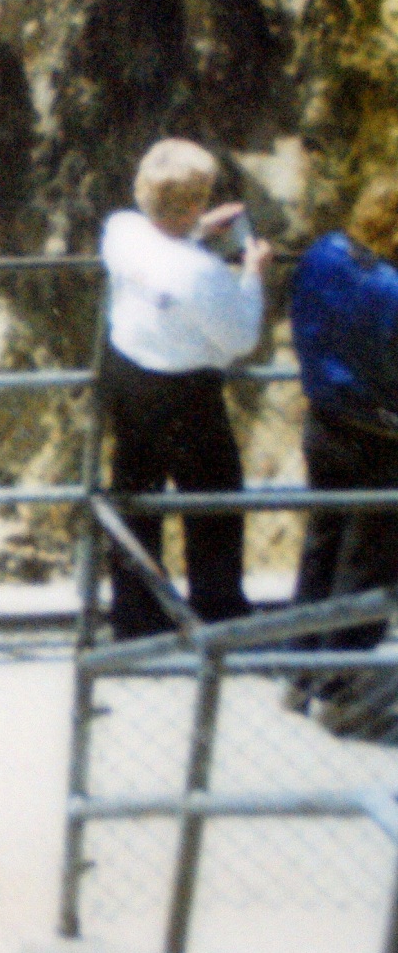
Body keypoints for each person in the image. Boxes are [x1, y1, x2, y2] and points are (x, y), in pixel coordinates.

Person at [98, 137, 271, 640]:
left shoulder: (121, 230)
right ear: (194, 204)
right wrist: (253, 274)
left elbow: (161, 248)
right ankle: (218, 612)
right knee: (213, 498)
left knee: (135, 495)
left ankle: (135, 616)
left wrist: (195, 229)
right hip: (185, 392)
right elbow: (240, 338)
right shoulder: (200, 272)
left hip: (127, 375)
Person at [285, 178, 398, 735]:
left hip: (325, 423)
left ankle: (300, 673)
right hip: (381, 438)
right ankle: (341, 687)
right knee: (369, 562)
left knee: (323, 546)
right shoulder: (392, 289)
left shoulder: (323, 254)